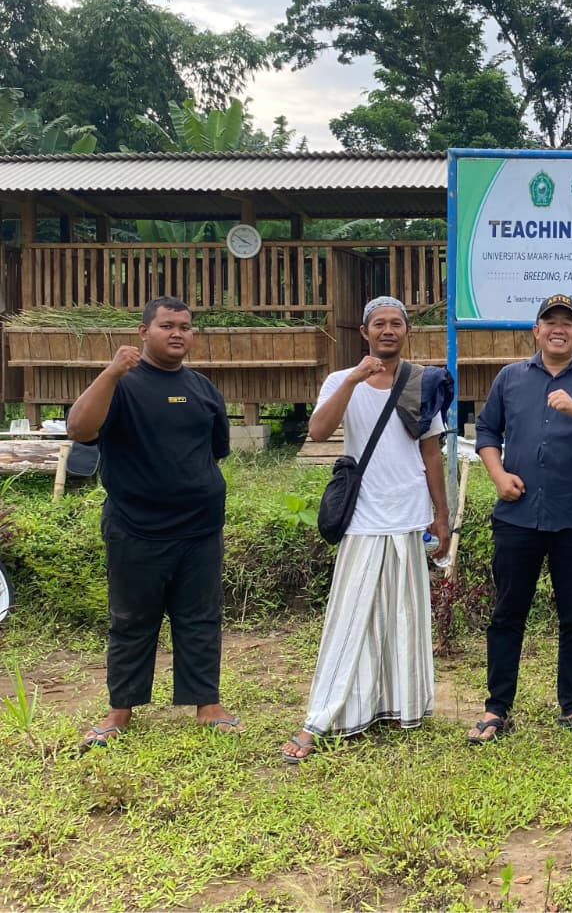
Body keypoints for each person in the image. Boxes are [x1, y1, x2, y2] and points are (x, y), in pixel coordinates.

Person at [67, 296, 242, 750]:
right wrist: (110, 371)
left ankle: (207, 704)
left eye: (185, 326)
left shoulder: (202, 388)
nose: (178, 333)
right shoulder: (121, 384)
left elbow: (215, 449)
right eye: (167, 325)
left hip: (200, 528)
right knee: (131, 619)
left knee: (201, 616)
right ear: (144, 332)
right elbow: (79, 430)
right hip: (135, 528)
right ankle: (121, 709)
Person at [282, 296, 451, 762]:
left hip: (409, 515)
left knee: (405, 618)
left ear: (408, 331)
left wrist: (442, 514)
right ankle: (322, 716)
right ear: (364, 332)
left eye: (397, 323)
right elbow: (318, 432)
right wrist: (355, 378)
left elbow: (431, 452)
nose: (388, 330)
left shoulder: (422, 382)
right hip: (363, 517)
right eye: (379, 324)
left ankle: (401, 707)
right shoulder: (342, 379)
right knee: (351, 617)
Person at [467, 293, 572, 743]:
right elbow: (486, 430)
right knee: (507, 615)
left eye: (568, 322)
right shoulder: (510, 377)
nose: (559, 329)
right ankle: (497, 708)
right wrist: (497, 475)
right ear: (536, 330)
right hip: (517, 516)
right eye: (549, 321)